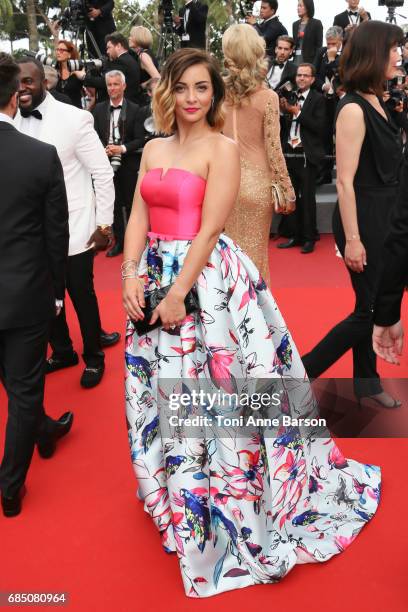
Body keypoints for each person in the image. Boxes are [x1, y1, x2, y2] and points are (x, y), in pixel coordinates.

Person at [122, 46, 381, 598]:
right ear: (168, 91)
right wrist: (128, 275)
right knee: (161, 391)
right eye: (184, 87)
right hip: (153, 276)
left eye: (203, 88)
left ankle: (230, 489)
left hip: (205, 280)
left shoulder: (224, 149)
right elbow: (138, 214)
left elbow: (213, 227)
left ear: (213, 94)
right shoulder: (152, 149)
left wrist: (178, 294)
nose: (193, 98)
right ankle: (178, 483)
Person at [302, 21, 404, 407]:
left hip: (385, 219)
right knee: (368, 312)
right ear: (373, 54)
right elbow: (343, 182)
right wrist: (355, 239)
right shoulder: (353, 109)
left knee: (372, 306)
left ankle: (367, 383)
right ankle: (302, 373)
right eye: (392, 48)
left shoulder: (380, 101)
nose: (398, 55)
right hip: (363, 221)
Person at [15, 58, 120, 389]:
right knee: (45, 295)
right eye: (17, 83)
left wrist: (105, 225)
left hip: (75, 227)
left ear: (44, 81)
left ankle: (94, 356)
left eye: (28, 81)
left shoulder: (75, 119)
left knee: (81, 294)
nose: (22, 89)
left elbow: (102, 173)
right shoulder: (9, 118)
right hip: (32, 233)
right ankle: (62, 351)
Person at [0, 53, 73, 518]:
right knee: (24, 390)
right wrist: (56, 293)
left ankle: (43, 430)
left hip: (21, 295)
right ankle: (10, 489)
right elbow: (55, 234)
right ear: (14, 98)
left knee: (18, 386)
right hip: (26, 295)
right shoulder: (39, 156)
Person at [222, 24, 295, 285]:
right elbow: (274, 149)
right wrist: (287, 189)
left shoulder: (215, 95)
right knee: (255, 259)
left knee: (225, 260)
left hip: (222, 183)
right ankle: (257, 319)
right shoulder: (268, 97)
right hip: (257, 184)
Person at [93, 70, 146, 257]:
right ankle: (119, 242)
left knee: (132, 205)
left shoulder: (135, 109)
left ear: (124, 86)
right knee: (112, 204)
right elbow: (94, 136)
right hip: (105, 164)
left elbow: (140, 139)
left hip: (128, 163)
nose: (112, 88)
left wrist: (121, 149)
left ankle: (136, 240)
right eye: (109, 85)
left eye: (116, 84)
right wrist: (103, 150)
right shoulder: (98, 109)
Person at [278, 63, 326, 253]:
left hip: (307, 154)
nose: (302, 78)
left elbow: (320, 128)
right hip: (289, 152)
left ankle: (309, 238)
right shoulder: (289, 97)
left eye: (306, 76)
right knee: (291, 197)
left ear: (313, 79)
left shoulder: (319, 99)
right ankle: (295, 236)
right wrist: (283, 112)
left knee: (307, 198)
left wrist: (297, 112)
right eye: (299, 75)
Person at [54, 40, 84, 108]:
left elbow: (92, 96)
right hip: (59, 113)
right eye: (57, 49)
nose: (58, 52)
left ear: (69, 54)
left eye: (61, 50)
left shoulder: (79, 70)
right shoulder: (55, 71)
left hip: (75, 113)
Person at [292, 0, 323, 65]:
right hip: (296, 59)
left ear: (307, 7)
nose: (298, 8)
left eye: (300, 6)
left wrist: (315, 64)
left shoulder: (316, 23)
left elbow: (319, 47)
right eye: (298, 6)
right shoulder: (295, 24)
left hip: (310, 62)